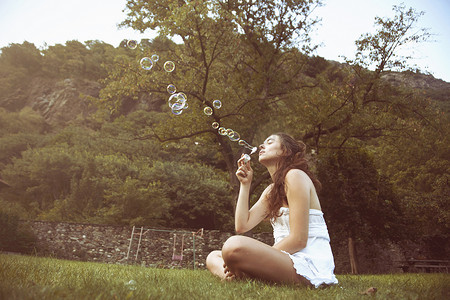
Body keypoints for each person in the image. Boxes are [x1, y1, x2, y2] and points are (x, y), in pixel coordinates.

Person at [206, 133, 338, 288]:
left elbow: (299, 240)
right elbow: (242, 226)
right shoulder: (272, 191)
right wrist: (245, 184)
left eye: (269, 142)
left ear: (286, 151)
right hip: (283, 261)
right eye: (262, 143)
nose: (262, 146)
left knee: (234, 246)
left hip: (307, 264)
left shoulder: (295, 176)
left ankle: (242, 275)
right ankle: (238, 276)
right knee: (213, 256)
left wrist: (255, 259)